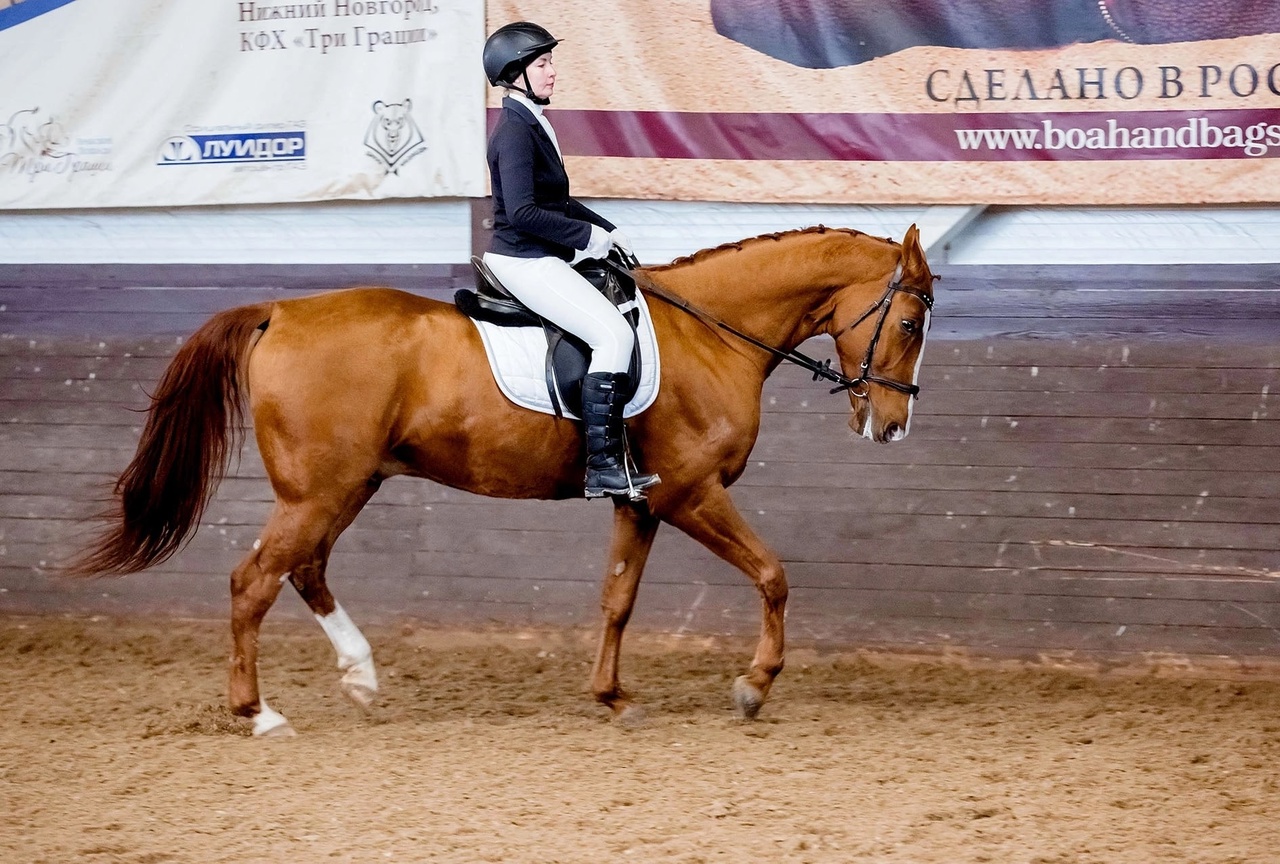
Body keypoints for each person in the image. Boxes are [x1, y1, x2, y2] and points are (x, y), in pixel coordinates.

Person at [480, 21, 659, 500]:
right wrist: (587, 239)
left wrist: (607, 230)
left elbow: (555, 199)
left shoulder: (533, 122)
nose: (553, 73)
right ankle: (602, 466)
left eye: (551, 63)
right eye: (543, 65)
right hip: (524, 260)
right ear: (515, 74)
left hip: (541, 254)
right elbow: (523, 212)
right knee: (614, 335)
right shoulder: (514, 131)